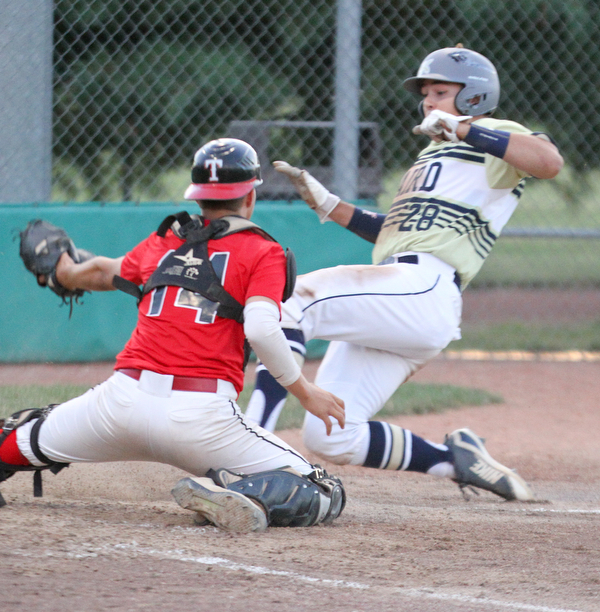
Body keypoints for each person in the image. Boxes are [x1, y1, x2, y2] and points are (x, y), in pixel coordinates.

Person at [245, 46, 564, 501]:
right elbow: (397, 232)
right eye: (426, 94)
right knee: (330, 434)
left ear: (474, 97)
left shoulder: (491, 135)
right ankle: (454, 460)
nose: (429, 101)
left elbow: (549, 162)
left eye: (441, 91)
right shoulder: (429, 157)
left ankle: (250, 448)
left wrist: (466, 129)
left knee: (293, 300)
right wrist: (331, 206)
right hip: (404, 294)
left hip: (425, 287)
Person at [0, 138, 347, 533]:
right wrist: (306, 392)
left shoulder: (167, 240)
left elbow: (99, 272)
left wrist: (60, 269)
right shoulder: (262, 251)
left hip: (115, 407)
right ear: (250, 196)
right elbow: (263, 329)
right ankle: (242, 493)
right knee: (321, 488)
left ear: (198, 196)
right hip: (200, 419)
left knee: (16, 440)